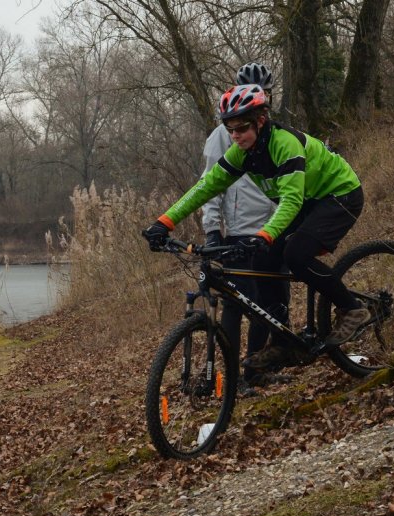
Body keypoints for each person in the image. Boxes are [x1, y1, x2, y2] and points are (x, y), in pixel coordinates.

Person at [143, 83, 367, 372]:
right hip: (308, 203)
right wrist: (164, 222)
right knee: (264, 258)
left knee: (296, 255)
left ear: (261, 121)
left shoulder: (284, 144)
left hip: (339, 195)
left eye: (242, 128)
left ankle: (352, 307)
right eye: (230, 130)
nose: (235, 136)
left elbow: (290, 200)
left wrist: (265, 234)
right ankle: (283, 342)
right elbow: (207, 186)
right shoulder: (242, 152)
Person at [200, 62, 286, 394]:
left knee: (271, 304)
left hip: (273, 228)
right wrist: (212, 229)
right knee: (237, 306)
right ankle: (233, 379)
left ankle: (256, 369)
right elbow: (210, 185)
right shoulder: (222, 136)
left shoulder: (274, 133)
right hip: (238, 231)